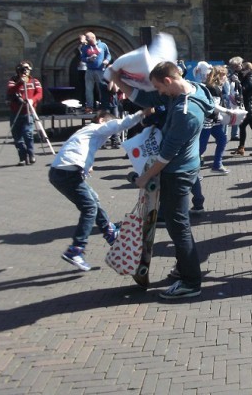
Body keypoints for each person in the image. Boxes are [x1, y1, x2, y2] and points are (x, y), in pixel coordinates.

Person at [110, 61, 215, 299]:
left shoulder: (185, 112)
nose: (158, 93)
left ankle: (191, 281)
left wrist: (145, 177)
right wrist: (117, 79)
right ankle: (183, 270)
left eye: (159, 87)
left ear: (168, 81)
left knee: (178, 226)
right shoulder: (189, 89)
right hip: (182, 168)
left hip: (178, 172)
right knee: (177, 224)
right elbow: (146, 99)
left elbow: (167, 154)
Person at [50, 109, 147, 271]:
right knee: (89, 208)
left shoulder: (85, 132)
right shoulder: (97, 128)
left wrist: (86, 165)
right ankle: (76, 249)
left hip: (62, 172)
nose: (108, 137)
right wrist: (141, 114)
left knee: (93, 198)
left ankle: (109, 232)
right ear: (102, 120)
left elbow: (76, 147)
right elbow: (120, 124)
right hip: (66, 173)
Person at [6, 61, 43, 166]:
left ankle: (31, 154)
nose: (25, 71)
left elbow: (39, 93)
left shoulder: (34, 81)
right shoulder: (13, 81)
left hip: (28, 111)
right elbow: (10, 91)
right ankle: (22, 157)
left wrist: (33, 100)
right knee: (17, 137)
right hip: (15, 112)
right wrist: (20, 83)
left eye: (27, 68)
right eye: (23, 68)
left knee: (28, 133)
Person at [200, 66, 229, 174]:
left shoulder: (213, 86)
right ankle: (193, 171)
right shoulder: (213, 88)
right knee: (201, 147)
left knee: (222, 139)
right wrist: (228, 112)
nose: (226, 77)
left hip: (213, 120)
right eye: (225, 75)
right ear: (220, 76)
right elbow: (214, 107)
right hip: (207, 121)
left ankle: (217, 164)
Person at [80, 32, 112, 111]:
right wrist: (88, 59)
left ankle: (103, 105)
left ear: (93, 37)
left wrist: (107, 60)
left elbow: (108, 55)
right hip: (89, 70)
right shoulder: (85, 47)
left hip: (100, 70)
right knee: (88, 89)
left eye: (88, 38)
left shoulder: (103, 45)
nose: (86, 40)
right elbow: (82, 58)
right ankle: (90, 106)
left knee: (101, 88)